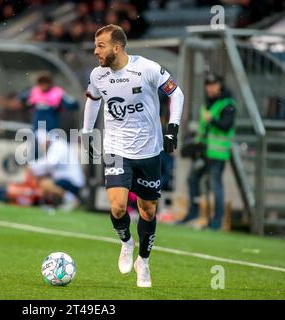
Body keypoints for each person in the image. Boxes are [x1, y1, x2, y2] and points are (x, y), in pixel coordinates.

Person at [82, 24, 184, 287]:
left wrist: (172, 128)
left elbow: (177, 93)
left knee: (148, 211)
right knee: (117, 205)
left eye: (100, 46)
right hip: (116, 148)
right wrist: (86, 131)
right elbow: (93, 100)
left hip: (149, 150)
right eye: (95, 46)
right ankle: (126, 242)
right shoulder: (97, 75)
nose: (96, 51)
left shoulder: (147, 68)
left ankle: (144, 262)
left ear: (117, 47)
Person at [181, 73, 235, 230]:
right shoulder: (207, 104)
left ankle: (216, 222)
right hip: (203, 152)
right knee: (192, 179)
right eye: (208, 85)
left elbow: (226, 125)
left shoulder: (227, 104)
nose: (210, 88)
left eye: (213, 84)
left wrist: (212, 119)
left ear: (220, 86)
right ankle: (193, 213)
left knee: (215, 186)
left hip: (217, 154)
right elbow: (204, 130)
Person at [28, 129, 85, 211]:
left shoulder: (58, 145)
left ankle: (71, 200)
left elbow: (51, 163)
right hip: (66, 179)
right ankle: (55, 203)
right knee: (42, 181)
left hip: (73, 182)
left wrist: (32, 166)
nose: (41, 146)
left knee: (45, 183)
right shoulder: (55, 146)